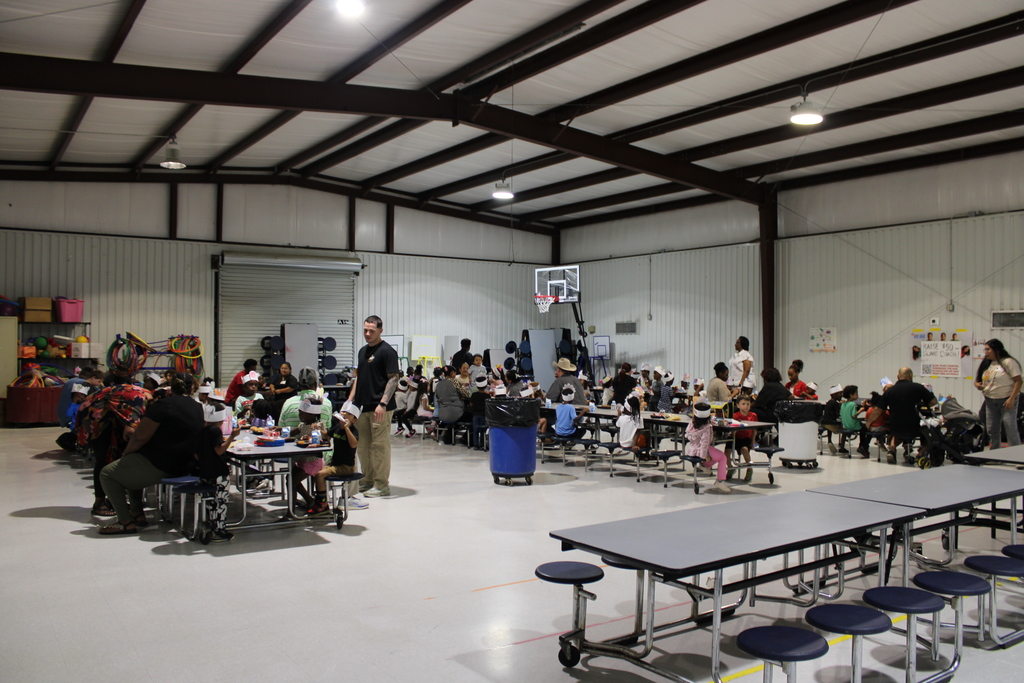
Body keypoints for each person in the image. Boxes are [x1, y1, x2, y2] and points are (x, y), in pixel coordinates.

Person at [98, 373, 204, 534]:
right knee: (131, 465)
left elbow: (140, 437)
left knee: (107, 474)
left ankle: (125, 522)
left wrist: (125, 453)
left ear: (170, 387)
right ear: (192, 388)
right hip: (185, 464)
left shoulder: (163, 406)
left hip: (161, 464)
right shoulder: (198, 407)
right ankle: (137, 513)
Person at [350, 315, 400, 498]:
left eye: (372, 330)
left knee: (379, 446)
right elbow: (359, 377)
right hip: (362, 407)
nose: (368, 333)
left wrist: (382, 403)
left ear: (380, 330)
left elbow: (394, 378)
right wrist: (350, 401)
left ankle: (381, 485)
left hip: (380, 408)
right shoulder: (362, 351)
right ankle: (367, 480)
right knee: (363, 446)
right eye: (365, 330)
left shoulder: (387, 352)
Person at [308, 401, 367, 515]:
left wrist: (347, 429)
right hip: (335, 464)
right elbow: (327, 435)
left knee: (320, 475)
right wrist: (318, 429)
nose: (344, 414)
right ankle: (321, 499)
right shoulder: (336, 428)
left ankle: (322, 503)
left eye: (348, 413)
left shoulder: (353, 431)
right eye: (343, 411)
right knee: (318, 473)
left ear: (354, 420)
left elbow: (354, 444)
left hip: (346, 467)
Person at [194, 404, 240, 542]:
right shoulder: (215, 431)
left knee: (210, 502)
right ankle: (219, 530)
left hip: (204, 471)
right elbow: (219, 450)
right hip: (218, 472)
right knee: (220, 501)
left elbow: (196, 454)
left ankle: (211, 525)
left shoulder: (201, 431)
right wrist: (232, 436)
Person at [878, 367, 936, 463]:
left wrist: (869, 422)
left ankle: (892, 450)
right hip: (914, 425)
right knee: (927, 432)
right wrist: (922, 405)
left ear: (898, 377)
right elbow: (933, 402)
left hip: (896, 425)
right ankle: (920, 454)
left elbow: (878, 410)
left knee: (896, 433)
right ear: (910, 376)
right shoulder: (918, 388)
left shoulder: (890, 391)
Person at [975, 338, 1022, 449]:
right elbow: (977, 380)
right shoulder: (987, 363)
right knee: (992, 428)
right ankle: (995, 452)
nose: (985, 352)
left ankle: (1017, 456)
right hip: (990, 399)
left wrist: (1011, 399)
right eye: (985, 350)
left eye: (988, 349)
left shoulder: (1008, 362)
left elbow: (1018, 381)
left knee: (1009, 427)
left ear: (997, 349)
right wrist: (977, 385)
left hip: (1006, 399)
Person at [687, 402, 730, 494]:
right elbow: (704, 443)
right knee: (722, 457)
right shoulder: (706, 428)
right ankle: (720, 481)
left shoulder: (692, 422)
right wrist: (703, 456)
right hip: (701, 450)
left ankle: (704, 466)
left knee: (715, 455)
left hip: (692, 449)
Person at [728, 394, 758, 483]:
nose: (746, 406)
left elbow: (754, 429)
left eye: (748, 404)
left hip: (746, 438)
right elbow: (732, 428)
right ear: (738, 405)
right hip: (735, 438)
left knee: (745, 450)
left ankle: (749, 468)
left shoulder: (753, 416)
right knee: (726, 452)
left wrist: (753, 441)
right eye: (743, 404)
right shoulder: (735, 415)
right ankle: (730, 468)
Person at [838, 385, 871, 457]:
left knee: (862, 428)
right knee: (866, 429)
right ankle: (862, 446)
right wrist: (861, 410)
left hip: (845, 425)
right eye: (856, 393)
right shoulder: (853, 404)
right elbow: (854, 415)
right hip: (853, 425)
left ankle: (861, 446)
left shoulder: (843, 404)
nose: (858, 395)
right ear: (851, 395)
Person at [820, 384, 844, 454]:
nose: (841, 395)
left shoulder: (829, 402)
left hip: (824, 423)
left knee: (829, 424)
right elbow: (838, 414)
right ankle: (842, 446)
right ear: (834, 395)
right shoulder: (835, 403)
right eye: (840, 394)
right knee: (845, 427)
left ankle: (829, 440)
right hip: (832, 425)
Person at [469, 374, 490, 449]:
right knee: (482, 430)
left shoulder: (474, 395)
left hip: (475, 415)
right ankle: (482, 444)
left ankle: (476, 445)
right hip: (483, 415)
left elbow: (471, 404)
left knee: (475, 430)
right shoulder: (487, 396)